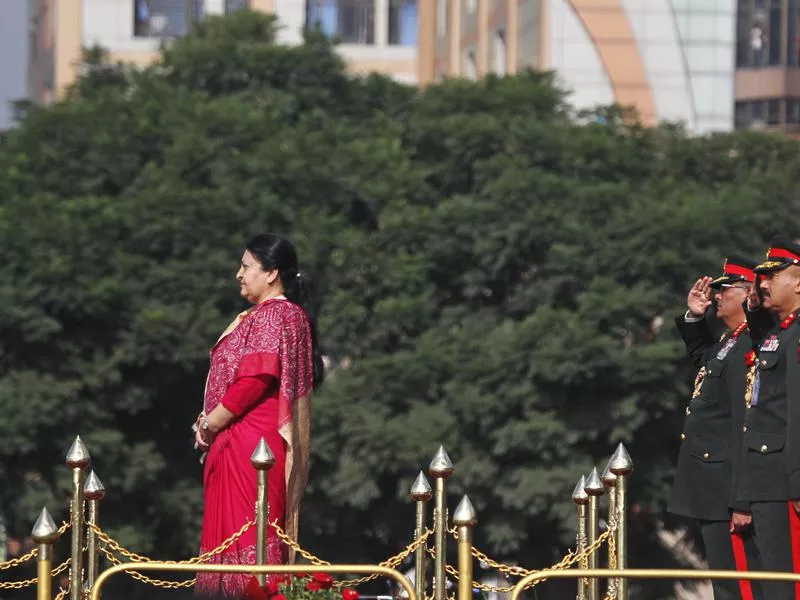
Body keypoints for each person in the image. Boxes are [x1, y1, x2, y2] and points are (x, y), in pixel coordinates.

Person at [193, 234, 323, 597]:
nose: (238, 274)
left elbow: (254, 379)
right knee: (229, 549)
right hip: (237, 444)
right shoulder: (266, 315)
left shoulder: (277, 314)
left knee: (248, 549)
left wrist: (210, 422)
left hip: (252, 448)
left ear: (271, 273)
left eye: (246, 266)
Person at [669, 255, 762, 600]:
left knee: (738, 586)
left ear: (748, 294)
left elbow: (746, 425)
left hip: (727, 490)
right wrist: (695, 317)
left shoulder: (750, 345)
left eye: (725, 289)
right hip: (713, 486)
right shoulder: (731, 341)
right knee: (725, 584)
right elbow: (705, 361)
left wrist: (742, 500)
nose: (717, 295)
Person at [736, 236, 800, 600]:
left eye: (773, 276)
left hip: (784, 482)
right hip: (766, 479)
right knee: (774, 586)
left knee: (786, 587)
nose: (763, 283)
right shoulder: (782, 332)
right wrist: (757, 310)